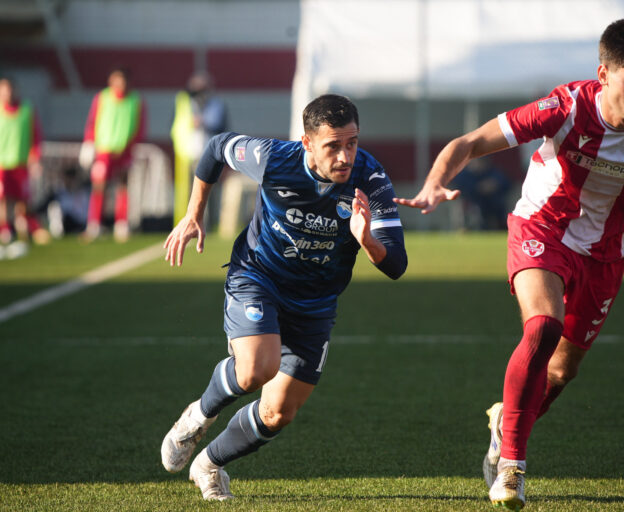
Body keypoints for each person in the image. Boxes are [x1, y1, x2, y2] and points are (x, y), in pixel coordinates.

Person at [395, 18, 624, 510]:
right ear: (604, 73)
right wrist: (435, 183)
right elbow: (469, 143)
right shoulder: (566, 106)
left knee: (561, 372)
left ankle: (505, 419)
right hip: (543, 229)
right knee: (542, 327)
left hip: (610, 251)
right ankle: (511, 467)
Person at [160, 94, 407, 501]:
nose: (345, 156)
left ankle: (209, 464)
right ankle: (197, 416)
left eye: (352, 142)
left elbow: (396, 263)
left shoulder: (372, 178)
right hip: (259, 276)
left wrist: (367, 242)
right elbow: (216, 147)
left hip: (316, 303)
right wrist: (194, 212)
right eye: (333, 146)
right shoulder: (274, 158)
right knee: (256, 367)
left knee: (278, 413)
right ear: (307, 143)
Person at [80, 67, 146, 242]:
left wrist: (133, 147)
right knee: (99, 187)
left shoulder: (135, 100)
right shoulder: (102, 98)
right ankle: (94, 224)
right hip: (104, 150)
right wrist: (89, 142)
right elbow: (93, 121)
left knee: (123, 187)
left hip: (124, 151)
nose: (119, 84)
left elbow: (140, 126)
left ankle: (121, 224)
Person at [170, 72, 228, 225]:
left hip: (209, 153)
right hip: (188, 153)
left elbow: (219, 125)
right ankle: (190, 220)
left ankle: (209, 222)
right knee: (189, 191)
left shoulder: (216, 104)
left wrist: (202, 121)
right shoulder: (185, 104)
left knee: (209, 190)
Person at [0, 77, 50, 248]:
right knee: (3, 199)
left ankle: (24, 229)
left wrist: (35, 158)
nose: (7, 93)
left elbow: (35, 135)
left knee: (21, 200)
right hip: (1, 164)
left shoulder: (26, 110)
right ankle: (5, 229)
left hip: (20, 163)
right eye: (4, 89)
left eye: (10, 89)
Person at [450, 157, 512, 230]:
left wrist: (494, 185)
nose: (477, 164)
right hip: (472, 202)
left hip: (493, 202)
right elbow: (460, 187)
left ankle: (502, 227)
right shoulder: (464, 174)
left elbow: (505, 183)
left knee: (498, 205)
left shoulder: (492, 171)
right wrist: (478, 187)